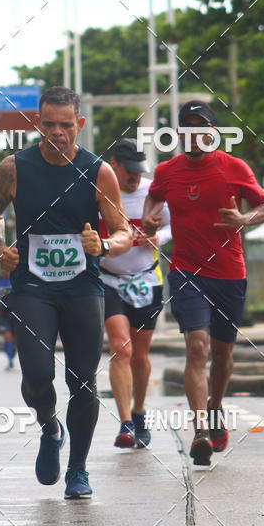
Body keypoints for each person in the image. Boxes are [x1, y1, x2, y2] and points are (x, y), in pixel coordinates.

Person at [0, 86, 132, 499]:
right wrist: (0, 248)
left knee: (83, 380)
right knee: (35, 376)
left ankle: (78, 471)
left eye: (66, 125)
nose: (57, 133)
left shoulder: (98, 171)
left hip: (82, 287)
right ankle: (50, 427)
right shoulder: (14, 168)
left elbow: (123, 231)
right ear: (37, 123)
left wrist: (101, 245)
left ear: (79, 125)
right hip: (31, 287)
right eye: (48, 124)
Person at [142, 100, 264, 466]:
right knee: (197, 348)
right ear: (179, 133)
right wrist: (149, 218)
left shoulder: (233, 167)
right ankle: (200, 430)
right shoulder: (168, 171)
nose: (195, 134)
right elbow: (154, 196)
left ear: (212, 133)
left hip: (230, 273)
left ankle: (215, 407)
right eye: (188, 127)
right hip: (186, 271)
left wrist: (243, 219)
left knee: (223, 354)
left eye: (202, 128)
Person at [99, 139, 171, 449]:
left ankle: (140, 411)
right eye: (129, 172)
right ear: (114, 165)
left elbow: (174, 225)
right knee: (121, 348)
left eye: (138, 172)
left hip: (146, 279)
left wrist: (158, 237)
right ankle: (125, 423)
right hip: (109, 280)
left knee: (140, 356)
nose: (135, 178)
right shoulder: (97, 189)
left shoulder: (153, 191)